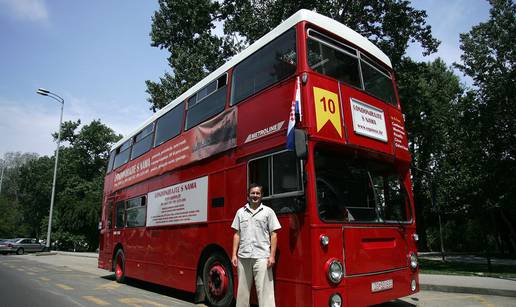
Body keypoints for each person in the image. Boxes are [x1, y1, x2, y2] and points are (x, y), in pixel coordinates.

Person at [231, 183, 281, 307]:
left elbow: (274, 235)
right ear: (248, 195)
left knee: (265, 291)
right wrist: (234, 255)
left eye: (258, 193)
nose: (255, 195)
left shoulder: (268, 212)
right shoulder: (240, 212)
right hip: (243, 256)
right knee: (242, 291)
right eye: (252, 193)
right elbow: (237, 234)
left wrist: (272, 256)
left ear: (261, 195)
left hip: (262, 256)